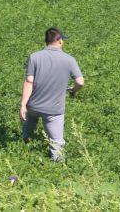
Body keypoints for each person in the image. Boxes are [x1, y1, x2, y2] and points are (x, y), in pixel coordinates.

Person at [20, 28, 84, 162]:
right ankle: (59, 168)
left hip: (33, 105)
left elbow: (29, 81)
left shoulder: (34, 56)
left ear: (47, 41)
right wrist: (74, 90)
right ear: (59, 40)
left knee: (29, 122)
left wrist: (23, 105)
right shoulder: (69, 59)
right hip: (54, 110)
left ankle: (26, 146)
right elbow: (80, 82)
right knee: (56, 142)